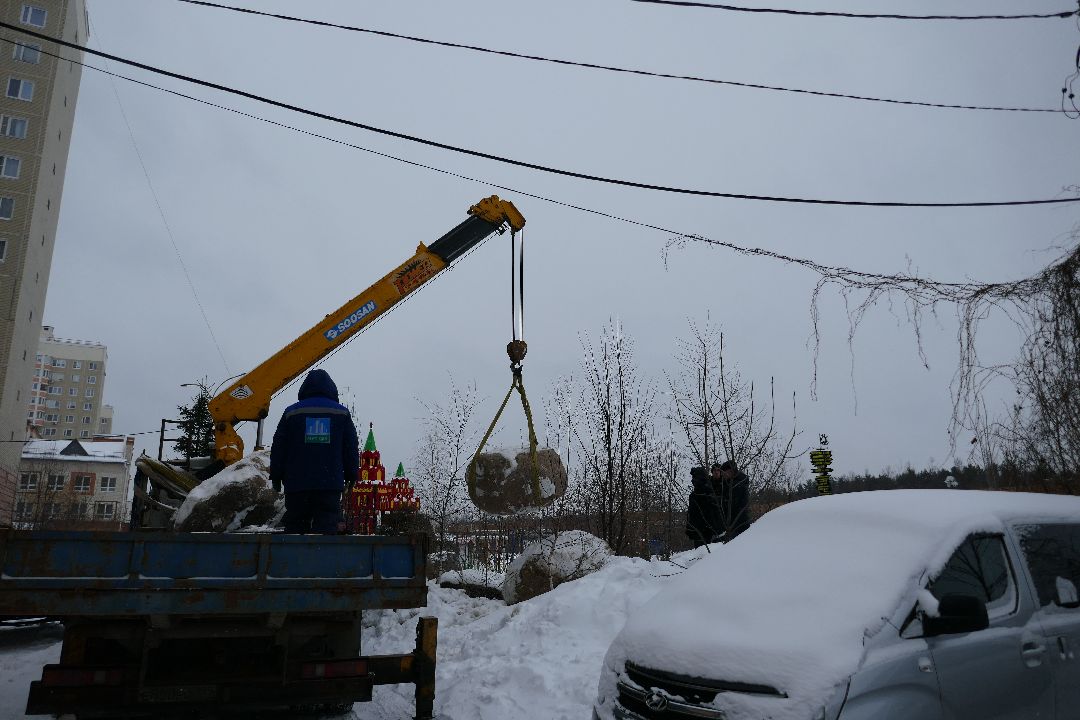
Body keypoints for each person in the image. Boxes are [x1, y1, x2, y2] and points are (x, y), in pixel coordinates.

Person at [269, 369, 359, 534]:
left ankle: (294, 550)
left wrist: (276, 475)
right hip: (329, 484)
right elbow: (350, 448)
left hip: (297, 484)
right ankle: (322, 550)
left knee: (295, 528)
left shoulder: (291, 413)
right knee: (327, 528)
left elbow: (279, 446)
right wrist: (352, 474)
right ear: (331, 389)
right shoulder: (341, 413)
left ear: (305, 388)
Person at [685, 465, 723, 547]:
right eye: (715, 470)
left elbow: (713, 513)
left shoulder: (709, 493)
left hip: (708, 531)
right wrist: (691, 529)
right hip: (700, 531)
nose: (693, 480)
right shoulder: (695, 495)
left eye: (718, 470)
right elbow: (692, 514)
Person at [714, 460, 751, 541]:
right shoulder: (729, 483)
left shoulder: (737, 485)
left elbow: (732, 506)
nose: (722, 474)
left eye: (723, 472)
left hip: (739, 524)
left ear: (730, 471)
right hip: (733, 524)